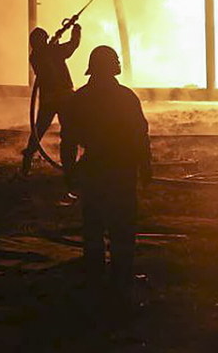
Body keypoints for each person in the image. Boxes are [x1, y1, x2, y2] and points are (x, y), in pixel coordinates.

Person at [61, 45, 152, 293]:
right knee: (122, 227)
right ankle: (121, 280)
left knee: (93, 226)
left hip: (94, 169)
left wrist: (69, 172)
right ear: (113, 67)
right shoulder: (125, 97)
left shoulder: (79, 99)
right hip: (122, 169)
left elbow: (68, 139)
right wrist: (145, 167)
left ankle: (95, 279)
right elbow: (140, 135)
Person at [21, 20, 82, 176]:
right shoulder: (51, 52)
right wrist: (76, 29)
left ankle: (27, 159)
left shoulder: (35, 56)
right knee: (69, 133)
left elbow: (50, 54)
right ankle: (70, 167)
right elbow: (73, 45)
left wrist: (57, 38)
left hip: (48, 100)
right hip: (64, 98)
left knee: (39, 130)